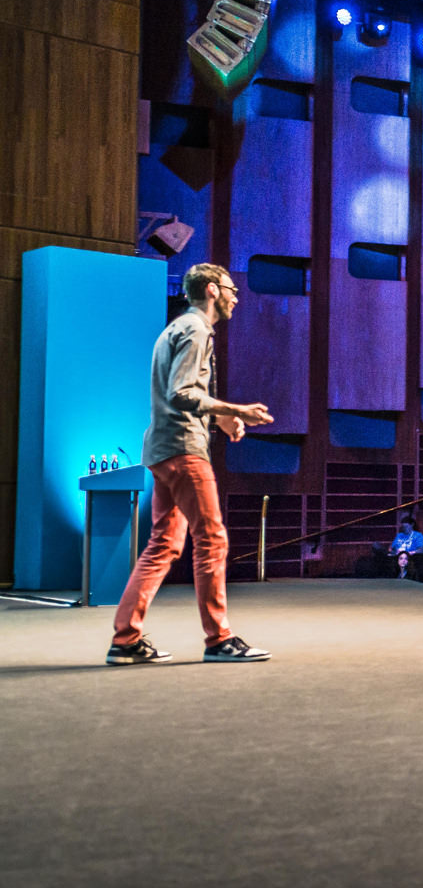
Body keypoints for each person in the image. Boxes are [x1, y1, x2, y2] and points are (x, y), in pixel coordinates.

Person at [108, 263, 274, 665]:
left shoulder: (177, 328)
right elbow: (182, 392)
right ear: (213, 290)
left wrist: (219, 416)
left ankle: (126, 640)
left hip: (164, 447)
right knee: (211, 539)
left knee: (164, 544)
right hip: (184, 449)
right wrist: (235, 408)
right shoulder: (197, 329)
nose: (237, 296)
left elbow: (180, 392)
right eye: (233, 289)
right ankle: (219, 639)